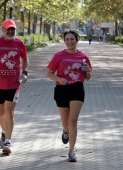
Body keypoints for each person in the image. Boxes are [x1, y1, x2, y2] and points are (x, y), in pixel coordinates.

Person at [0, 19, 29, 154]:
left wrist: (25, 73)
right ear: (2, 29)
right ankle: (4, 131)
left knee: (9, 112)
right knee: (1, 113)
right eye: (8, 29)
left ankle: (8, 141)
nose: (10, 31)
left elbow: (25, 59)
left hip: (14, 83)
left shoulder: (19, 43)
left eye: (12, 29)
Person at [47, 30, 92, 162]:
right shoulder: (58, 56)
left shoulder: (83, 57)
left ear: (76, 40)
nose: (69, 42)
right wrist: (59, 79)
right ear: (64, 41)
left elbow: (88, 77)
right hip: (62, 89)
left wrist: (87, 71)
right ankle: (65, 131)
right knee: (66, 123)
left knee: (73, 121)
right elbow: (49, 73)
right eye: (67, 39)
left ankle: (72, 151)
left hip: (77, 89)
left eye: (72, 39)